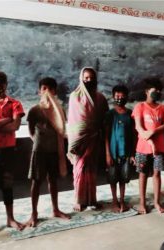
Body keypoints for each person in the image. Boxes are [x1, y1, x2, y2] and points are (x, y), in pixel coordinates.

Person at [26, 77, 70, 227]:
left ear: (55, 91)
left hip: (54, 150)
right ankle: (34, 213)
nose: (47, 92)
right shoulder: (35, 110)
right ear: (39, 91)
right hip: (39, 151)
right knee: (36, 182)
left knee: (53, 180)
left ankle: (55, 209)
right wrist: (38, 142)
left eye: (50, 89)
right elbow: (31, 130)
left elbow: (61, 129)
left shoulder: (60, 109)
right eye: (44, 88)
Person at [67, 67, 108, 212]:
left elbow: (104, 118)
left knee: (91, 169)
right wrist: (77, 137)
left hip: (94, 138)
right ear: (81, 78)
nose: (89, 80)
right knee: (80, 167)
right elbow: (73, 120)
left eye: (91, 77)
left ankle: (91, 199)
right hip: (80, 140)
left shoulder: (101, 98)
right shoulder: (74, 97)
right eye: (86, 78)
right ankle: (79, 200)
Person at [0, 71, 25, 236]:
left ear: (6, 84)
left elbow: (16, 127)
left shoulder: (15, 104)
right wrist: (6, 119)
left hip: (9, 150)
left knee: (8, 185)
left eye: (0, 84)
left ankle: (10, 218)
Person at [132, 78, 164, 214]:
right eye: (155, 90)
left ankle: (157, 203)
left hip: (159, 148)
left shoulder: (163, 108)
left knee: (157, 174)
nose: (157, 93)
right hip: (142, 147)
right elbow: (139, 127)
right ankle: (142, 203)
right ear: (147, 92)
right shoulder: (139, 107)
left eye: (159, 91)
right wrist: (150, 140)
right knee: (142, 174)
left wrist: (154, 131)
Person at [105, 85, 135, 213]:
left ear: (126, 97)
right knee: (113, 177)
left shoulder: (130, 114)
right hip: (113, 152)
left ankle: (122, 200)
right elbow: (106, 135)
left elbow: (133, 135)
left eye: (122, 96)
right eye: (117, 96)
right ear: (113, 97)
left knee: (124, 177)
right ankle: (114, 201)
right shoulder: (110, 114)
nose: (120, 98)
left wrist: (132, 153)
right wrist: (107, 154)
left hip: (126, 153)